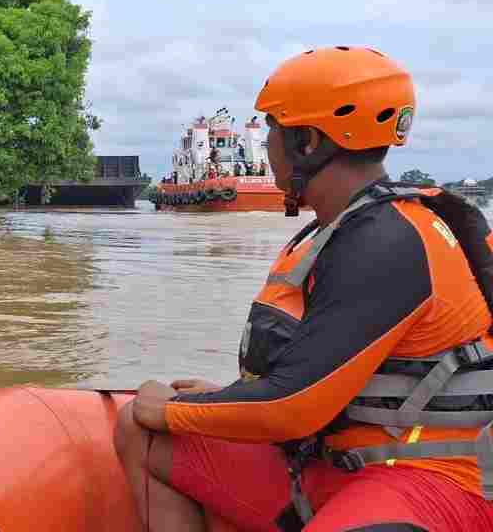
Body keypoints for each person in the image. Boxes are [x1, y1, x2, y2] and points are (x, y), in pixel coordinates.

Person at [113, 46, 493, 532]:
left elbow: (292, 405)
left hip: (428, 477)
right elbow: (321, 376)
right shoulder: (340, 230)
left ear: (308, 142)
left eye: (272, 127)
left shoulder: (387, 242)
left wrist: (172, 410)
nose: (267, 142)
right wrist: (221, 402)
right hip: (334, 462)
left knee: (155, 419)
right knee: (138, 431)